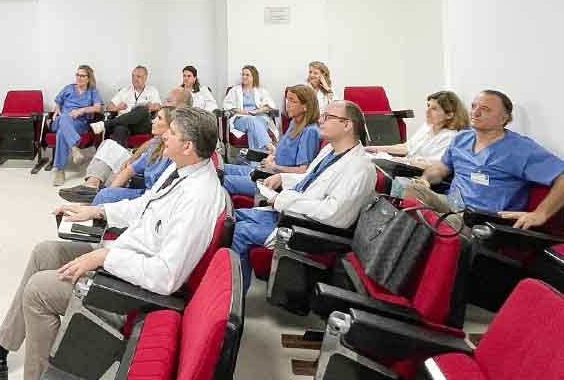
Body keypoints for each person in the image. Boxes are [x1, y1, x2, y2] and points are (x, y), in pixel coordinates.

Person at [0, 107, 227, 380]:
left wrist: (103, 259)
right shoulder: (182, 170)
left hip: (134, 289)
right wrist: (94, 210)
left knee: (39, 292)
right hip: (123, 256)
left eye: (173, 133)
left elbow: (165, 277)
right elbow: (141, 207)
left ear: (188, 146)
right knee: (46, 252)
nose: (165, 134)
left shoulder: (198, 198)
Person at [230, 100, 377, 291]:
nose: (321, 121)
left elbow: (334, 214)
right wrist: (282, 177)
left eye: (328, 117)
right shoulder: (330, 151)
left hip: (307, 229)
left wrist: (282, 200)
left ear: (347, 125)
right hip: (290, 214)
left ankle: (232, 301)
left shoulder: (360, 168)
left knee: (240, 232)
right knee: (231, 217)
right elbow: (309, 179)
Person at [401, 90, 564, 230]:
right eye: (473, 106)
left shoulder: (521, 149)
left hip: (481, 218)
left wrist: (540, 214)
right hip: (452, 203)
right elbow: (443, 167)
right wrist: (425, 179)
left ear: (504, 118)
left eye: (485, 109)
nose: (475, 112)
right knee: (412, 190)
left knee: (444, 224)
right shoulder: (461, 138)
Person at [58, 87, 192, 204]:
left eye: (168, 101)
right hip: (127, 125)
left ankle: (96, 195)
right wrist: (134, 156)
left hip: (150, 189)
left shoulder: (180, 140)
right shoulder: (159, 140)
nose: (164, 104)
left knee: (141, 111)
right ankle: (91, 186)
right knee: (112, 141)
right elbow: (151, 144)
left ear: (181, 109)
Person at [222, 84, 321, 197]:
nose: (287, 105)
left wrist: (275, 167)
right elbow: (283, 150)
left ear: (306, 106)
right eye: (287, 100)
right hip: (268, 171)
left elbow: (303, 171)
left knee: (225, 181)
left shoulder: (310, 131)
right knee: (222, 168)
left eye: (293, 101)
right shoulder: (294, 123)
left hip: (275, 182)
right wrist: (272, 157)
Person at [367, 90, 469, 168]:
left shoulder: (450, 136)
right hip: (407, 165)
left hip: (422, 175)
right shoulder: (427, 126)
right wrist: (374, 148)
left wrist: (402, 161)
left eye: (434, 108)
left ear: (449, 115)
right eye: (428, 106)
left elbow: (434, 166)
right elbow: (407, 148)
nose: (427, 111)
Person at [50, 65, 103, 187]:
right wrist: (57, 109)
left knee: (61, 134)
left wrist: (81, 110)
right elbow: (58, 101)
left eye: (82, 75)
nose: (79, 78)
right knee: (64, 117)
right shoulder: (68, 88)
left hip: (79, 124)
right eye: (77, 75)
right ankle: (74, 148)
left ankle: (60, 170)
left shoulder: (92, 92)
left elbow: (97, 107)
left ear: (88, 78)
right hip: (60, 121)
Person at [89, 65, 161, 146]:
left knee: (142, 109)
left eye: (138, 76)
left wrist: (151, 106)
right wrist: (118, 108)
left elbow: (158, 106)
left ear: (145, 77)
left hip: (141, 125)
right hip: (124, 123)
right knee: (120, 129)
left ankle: (104, 124)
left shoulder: (152, 90)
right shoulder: (124, 91)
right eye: (133, 76)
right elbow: (109, 107)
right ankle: (120, 157)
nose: (135, 79)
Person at [222, 64, 279, 150]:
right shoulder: (234, 90)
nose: (244, 77)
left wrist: (256, 112)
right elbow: (227, 105)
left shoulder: (261, 90)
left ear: (254, 77)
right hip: (240, 118)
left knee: (253, 129)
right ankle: (268, 145)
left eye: (247, 75)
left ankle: (254, 162)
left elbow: (269, 105)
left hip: (260, 117)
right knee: (252, 121)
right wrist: (243, 112)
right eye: (243, 74)